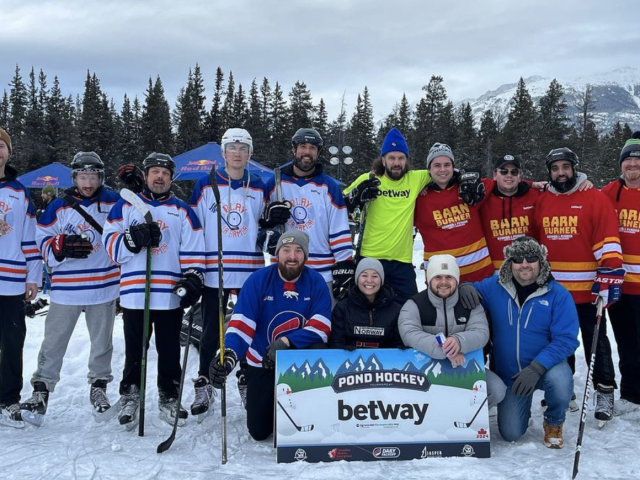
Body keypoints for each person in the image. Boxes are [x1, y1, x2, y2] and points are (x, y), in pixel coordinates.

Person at [103, 152, 205, 429]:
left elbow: (195, 252)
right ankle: (130, 394)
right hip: (136, 292)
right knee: (135, 349)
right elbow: (110, 247)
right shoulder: (125, 207)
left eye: (165, 173)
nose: (159, 177)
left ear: (171, 178)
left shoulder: (182, 210)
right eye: (154, 172)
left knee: (169, 350)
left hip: (170, 294)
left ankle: (170, 396)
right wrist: (132, 240)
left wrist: (193, 278)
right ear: (146, 176)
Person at [19, 152, 121, 421]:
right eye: (83, 176)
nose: (88, 183)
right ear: (74, 178)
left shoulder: (113, 201)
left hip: (104, 285)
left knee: (102, 343)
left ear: (101, 177)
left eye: (93, 176)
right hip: (66, 289)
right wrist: (59, 246)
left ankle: (99, 387)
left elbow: (130, 227)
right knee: (53, 342)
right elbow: (40, 239)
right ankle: (41, 390)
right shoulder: (59, 206)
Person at [209, 230, 331, 441]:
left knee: (318, 350)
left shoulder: (316, 281)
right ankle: (260, 391)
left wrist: (287, 342)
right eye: (286, 250)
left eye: (298, 251)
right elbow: (241, 324)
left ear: (305, 255)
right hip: (262, 363)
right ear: (277, 254)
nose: (292, 256)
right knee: (259, 431)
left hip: (297, 364)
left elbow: (322, 325)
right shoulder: (258, 280)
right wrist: (228, 354)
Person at [459, 236, 579, 448]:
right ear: (510, 263)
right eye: (518, 258)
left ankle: (553, 422)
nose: (524, 263)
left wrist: (536, 368)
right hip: (511, 376)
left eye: (531, 257)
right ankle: (520, 410)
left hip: (544, 369)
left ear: (541, 261)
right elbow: (471, 288)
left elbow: (566, 340)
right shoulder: (495, 286)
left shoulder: (558, 294)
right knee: (511, 433)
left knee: (561, 381)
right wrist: (465, 287)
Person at [533, 147, 623, 424]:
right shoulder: (542, 199)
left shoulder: (593, 198)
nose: (561, 173)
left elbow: (607, 237)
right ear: (549, 172)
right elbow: (537, 243)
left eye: (566, 167)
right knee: (560, 342)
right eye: (555, 168)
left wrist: (608, 276)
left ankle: (605, 390)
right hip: (556, 291)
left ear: (574, 168)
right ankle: (563, 389)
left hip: (588, 290)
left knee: (597, 341)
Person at [188, 128, 270, 418]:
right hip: (215, 269)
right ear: (223, 153)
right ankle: (205, 381)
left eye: (243, 148)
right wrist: (193, 268)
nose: (237, 153)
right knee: (212, 329)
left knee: (249, 327)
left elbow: (268, 226)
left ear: (249, 154)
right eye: (232, 148)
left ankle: (246, 377)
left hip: (249, 269)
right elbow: (194, 228)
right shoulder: (204, 184)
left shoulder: (260, 185)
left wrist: (272, 220)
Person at [397, 254, 503, 408]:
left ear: (456, 280)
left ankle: (470, 416)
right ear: (429, 279)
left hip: (464, 366)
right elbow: (409, 334)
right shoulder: (415, 304)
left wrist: (459, 342)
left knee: (497, 390)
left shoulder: (470, 303)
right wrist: (447, 351)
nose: (443, 282)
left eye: (449, 277)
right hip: (423, 370)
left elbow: (481, 332)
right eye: (438, 277)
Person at [264, 128, 353, 305]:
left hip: (322, 272)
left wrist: (344, 266)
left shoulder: (328, 186)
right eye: (302, 146)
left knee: (324, 326)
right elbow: (259, 227)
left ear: (318, 152)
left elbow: (339, 230)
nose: (307, 152)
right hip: (285, 270)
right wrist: (269, 227)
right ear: (294, 149)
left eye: (312, 147)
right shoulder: (275, 183)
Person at [344, 128, 431, 303]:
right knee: (364, 307)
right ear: (383, 160)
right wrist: (356, 197)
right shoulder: (369, 179)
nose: (396, 163)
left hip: (401, 262)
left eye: (401, 158)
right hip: (370, 257)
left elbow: (443, 173)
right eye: (391, 158)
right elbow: (339, 203)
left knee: (411, 309)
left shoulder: (416, 178)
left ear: (406, 160)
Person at [0, 127, 40, 427]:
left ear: (9, 152)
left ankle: (8, 399)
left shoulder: (19, 192)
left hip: (11, 279)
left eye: (2, 145)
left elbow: (31, 239)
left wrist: (33, 276)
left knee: (12, 341)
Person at [414, 143, 494, 282]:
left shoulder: (470, 187)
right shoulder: (418, 198)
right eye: (437, 165)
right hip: (442, 283)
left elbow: (505, 184)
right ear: (429, 169)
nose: (442, 170)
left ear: (453, 166)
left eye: (447, 164)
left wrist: (531, 185)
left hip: (481, 278)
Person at [601, 131, 640, 414]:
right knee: (625, 340)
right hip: (621, 284)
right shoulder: (608, 193)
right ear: (621, 164)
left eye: (639, 160)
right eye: (628, 160)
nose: (633, 165)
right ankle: (631, 393)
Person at [330, 257, 403, 349]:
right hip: (350, 361)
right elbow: (336, 343)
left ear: (381, 280)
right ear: (357, 279)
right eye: (364, 275)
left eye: (375, 276)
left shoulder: (396, 310)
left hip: (385, 362)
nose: (369, 280)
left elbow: (398, 345)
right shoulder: (342, 308)